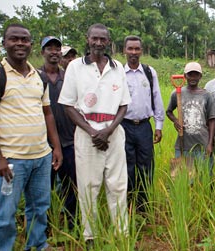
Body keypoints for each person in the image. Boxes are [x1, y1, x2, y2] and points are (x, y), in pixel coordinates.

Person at [0, 23, 62, 251]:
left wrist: (56, 148)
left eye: (24, 39)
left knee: (39, 207)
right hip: (12, 161)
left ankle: (38, 245)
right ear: (4, 43)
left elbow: (48, 114)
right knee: (5, 214)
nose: (20, 43)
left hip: (42, 157)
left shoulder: (39, 77)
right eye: (14, 39)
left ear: (31, 44)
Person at [58, 23, 131, 244]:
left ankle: (122, 233)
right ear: (87, 39)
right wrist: (92, 131)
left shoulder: (117, 67)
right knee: (89, 186)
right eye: (94, 39)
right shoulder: (75, 68)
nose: (98, 43)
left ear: (108, 41)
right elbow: (68, 105)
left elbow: (124, 105)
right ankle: (90, 236)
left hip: (114, 132)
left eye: (103, 39)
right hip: (86, 132)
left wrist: (108, 131)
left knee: (118, 185)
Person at [120, 35, 165, 213]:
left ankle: (144, 207)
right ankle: (129, 206)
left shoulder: (149, 72)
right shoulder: (118, 73)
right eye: (130, 49)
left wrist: (159, 125)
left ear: (141, 51)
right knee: (127, 167)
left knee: (146, 167)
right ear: (124, 50)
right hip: (124, 126)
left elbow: (157, 98)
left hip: (145, 127)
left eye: (136, 49)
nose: (133, 52)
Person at [39, 36, 78, 230]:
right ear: (42, 52)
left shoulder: (69, 78)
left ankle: (72, 224)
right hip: (43, 144)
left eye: (57, 48)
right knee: (43, 188)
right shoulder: (35, 77)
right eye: (49, 48)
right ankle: (43, 227)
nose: (54, 52)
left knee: (71, 186)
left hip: (70, 141)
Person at [166, 62, 215, 171]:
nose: (193, 77)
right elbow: (169, 111)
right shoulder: (177, 93)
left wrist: (210, 144)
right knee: (182, 177)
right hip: (183, 144)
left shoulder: (207, 95)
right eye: (190, 74)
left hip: (202, 144)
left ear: (200, 76)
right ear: (184, 76)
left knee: (203, 175)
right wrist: (175, 120)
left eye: (196, 74)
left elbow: (212, 120)